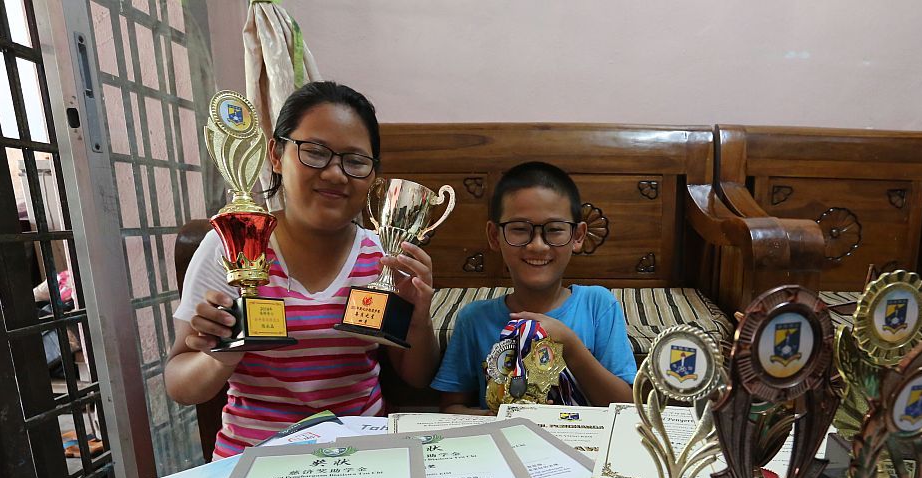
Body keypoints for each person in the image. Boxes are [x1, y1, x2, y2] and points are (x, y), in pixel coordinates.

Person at [165, 82, 438, 458]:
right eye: (314, 152)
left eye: (355, 161)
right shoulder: (233, 244)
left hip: (362, 459)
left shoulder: (384, 258)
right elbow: (180, 385)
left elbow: (417, 377)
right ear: (277, 154)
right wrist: (220, 355)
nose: (335, 174)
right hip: (252, 463)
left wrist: (419, 321)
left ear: (373, 175)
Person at [432, 162, 635, 413]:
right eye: (519, 229)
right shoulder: (474, 319)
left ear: (578, 236)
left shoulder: (598, 305)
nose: (537, 246)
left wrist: (569, 346)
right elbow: (451, 407)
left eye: (554, 230)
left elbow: (626, 407)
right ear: (495, 236)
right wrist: (498, 415)